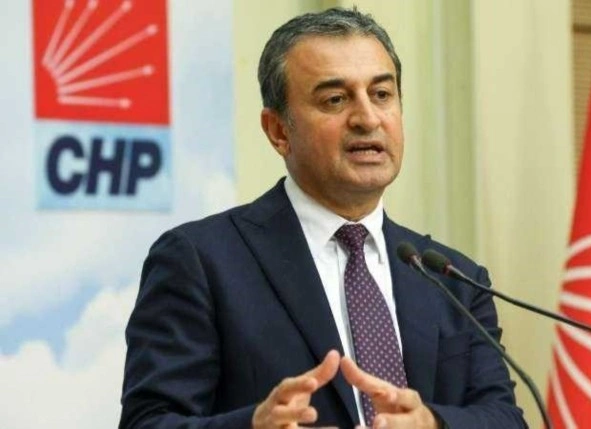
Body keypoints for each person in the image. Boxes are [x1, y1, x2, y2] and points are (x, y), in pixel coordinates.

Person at [119, 7, 526, 429]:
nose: (367, 118)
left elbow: (504, 418)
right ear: (278, 131)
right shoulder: (201, 262)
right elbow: (147, 423)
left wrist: (433, 424)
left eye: (382, 94)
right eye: (335, 99)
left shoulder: (453, 278)